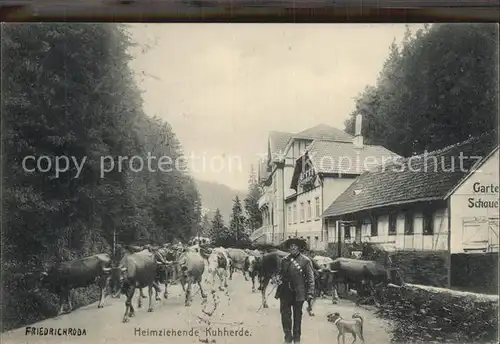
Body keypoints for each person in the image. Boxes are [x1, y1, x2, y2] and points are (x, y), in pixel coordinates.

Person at [275, 238, 315, 344]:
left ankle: (297, 338)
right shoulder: (284, 260)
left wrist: (310, 293)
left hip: (299, 293)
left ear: (299, 247)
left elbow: (311, 279)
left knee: (297, 317)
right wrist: (278, 278)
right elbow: (279, 273)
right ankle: (287, 337)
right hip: (285, 292)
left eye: (295, 245)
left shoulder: (306, 261)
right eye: (291, 245)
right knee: (285, 316)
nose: (292, 247)